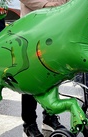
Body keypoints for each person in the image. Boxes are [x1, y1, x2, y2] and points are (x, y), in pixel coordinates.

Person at [19, 0, 69, 137]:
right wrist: (47, 4)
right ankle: (29, 124)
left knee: (53, 74)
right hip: (33, 28)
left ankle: (49, 117)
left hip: (55, 28)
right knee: (31, 76)